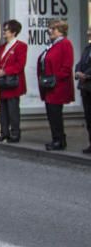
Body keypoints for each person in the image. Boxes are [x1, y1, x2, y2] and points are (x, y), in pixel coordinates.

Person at [38, 19, 75, 151]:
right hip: (49, 85)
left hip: (57, 86)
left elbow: (67, 66)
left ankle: (59, 140)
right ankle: (56, 138)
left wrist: (55, 77)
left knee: (55, 113)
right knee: (51, 113)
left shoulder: (65, 44)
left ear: (60, 31)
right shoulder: (52, 45)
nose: (50, 32)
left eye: (52, 29)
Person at [0, 19, 28, 143]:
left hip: (12, 82)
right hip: (2, 82)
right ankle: (4, 132)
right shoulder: (3, 47)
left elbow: (20, 64)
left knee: (13, 109)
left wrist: (6, 71)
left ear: (13, 32)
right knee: (3, 109)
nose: (4, 32)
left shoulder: (21, 46)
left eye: (6, 30)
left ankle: (15, 133)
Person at [74, 27, 91, 154]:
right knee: (88, 117)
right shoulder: (87, 49)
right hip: (85, 88)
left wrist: (86, 75)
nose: (88, 33)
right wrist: (78, 72)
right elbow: (79, 63)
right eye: (88, 30)